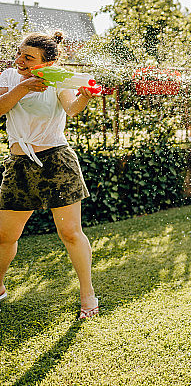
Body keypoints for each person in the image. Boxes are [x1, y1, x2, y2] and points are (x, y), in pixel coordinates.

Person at [0, 32, 99, 319]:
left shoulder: (59, 79)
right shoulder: (8, 76)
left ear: (49, 62)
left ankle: (88, 295)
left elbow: (72, 108)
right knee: (5, 235)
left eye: (28, 58)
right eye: (19, 53)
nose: (20, 60)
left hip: (57, 160)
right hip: (19, 164)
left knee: (70, 232)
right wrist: (25, 87)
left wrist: (84, 98)